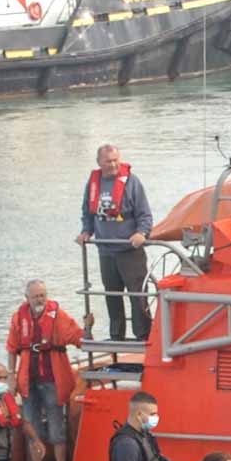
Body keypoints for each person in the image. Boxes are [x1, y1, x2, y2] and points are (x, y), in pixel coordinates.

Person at [6, 278, 86, 461]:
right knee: (33, 431)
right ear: (27, 298)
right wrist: (11, 375)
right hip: (28, 383)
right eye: (35, 296)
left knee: (56, 430)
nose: (40, 299)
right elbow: (12, 348)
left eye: (43, 295)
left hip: (53, 381)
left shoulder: (58, 315)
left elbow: (79, 337)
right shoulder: (18, 318)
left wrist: (88, 327)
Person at [74, 144, 154, 343]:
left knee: (138, 295)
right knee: (111, 295)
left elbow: (145, 214)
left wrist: (141, 233)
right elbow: (87, 212)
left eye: (115, 160)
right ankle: (116, 336)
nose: (113, 165)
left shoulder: (132, 182)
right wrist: (86, 232)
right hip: (106, 250)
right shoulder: (93, 183)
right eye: (108, 161)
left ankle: (144, 337)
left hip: (129, 250)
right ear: (99, 163)